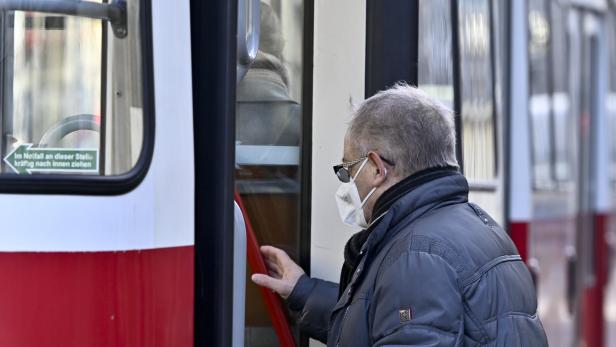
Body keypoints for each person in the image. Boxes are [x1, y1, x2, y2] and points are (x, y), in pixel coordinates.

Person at [251, 84, 548, 346]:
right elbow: (393, 325)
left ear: (378, 168)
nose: (348, 182)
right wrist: (303, 291)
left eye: (348, 170)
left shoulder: (418, 255)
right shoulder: (477, 227)